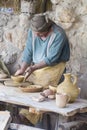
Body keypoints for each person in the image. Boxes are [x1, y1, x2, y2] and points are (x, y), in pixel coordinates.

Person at [15, 14, 70, 127]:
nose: (36, 35)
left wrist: (33, 68)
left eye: (39, 33)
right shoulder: (33, 32)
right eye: (35, 33)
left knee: (43, 96)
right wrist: (23, 68)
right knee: (27, 92)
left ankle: (27, 118)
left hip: (54, 69)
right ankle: (24, 118)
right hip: (37, 69)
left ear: (48, 28)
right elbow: (28, 51)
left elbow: (51, 59)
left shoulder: (59, 34)